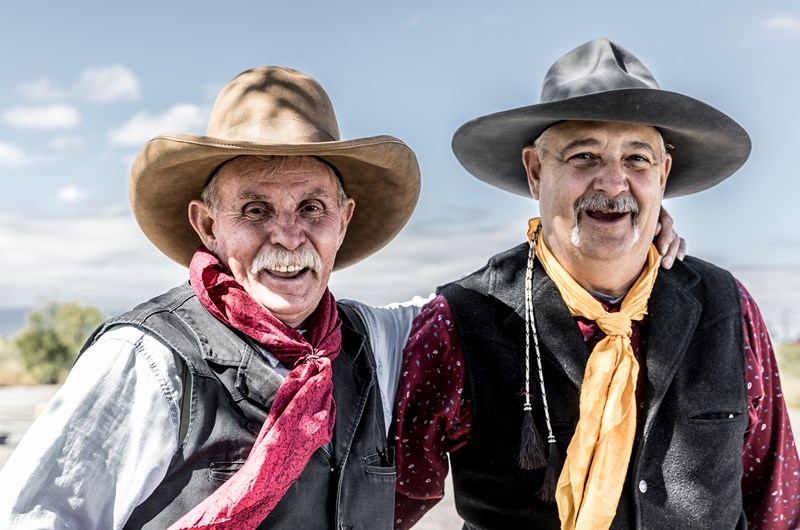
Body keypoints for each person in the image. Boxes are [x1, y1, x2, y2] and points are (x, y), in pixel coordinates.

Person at [393, 38, 800, 529]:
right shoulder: (459, 319)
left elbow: (776, 502)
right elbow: (386, 503)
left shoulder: (727, 305)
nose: (612, 183)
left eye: (636, 160)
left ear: (663, 175)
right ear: (536, 171)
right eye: (584, 157)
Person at [0, 66, 424, 529]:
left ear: (342, 221)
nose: (286, 237)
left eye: (311, 208)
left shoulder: (372, 342)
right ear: (207, 226)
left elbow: (489, 307)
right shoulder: (147, 359)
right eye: (255, 210)